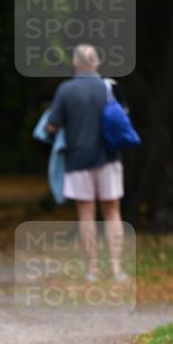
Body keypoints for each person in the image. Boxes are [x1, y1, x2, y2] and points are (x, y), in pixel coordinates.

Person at [46, 44, 128, 282]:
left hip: (77, 160)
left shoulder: (66, 90)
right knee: (112, 213)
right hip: (109, 158)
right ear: (97, 62)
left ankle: (92, 270)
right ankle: (116, 269)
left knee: (86, 215)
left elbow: (52, 126)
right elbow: (123, 119)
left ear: (75, 64)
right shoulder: (110, 86)